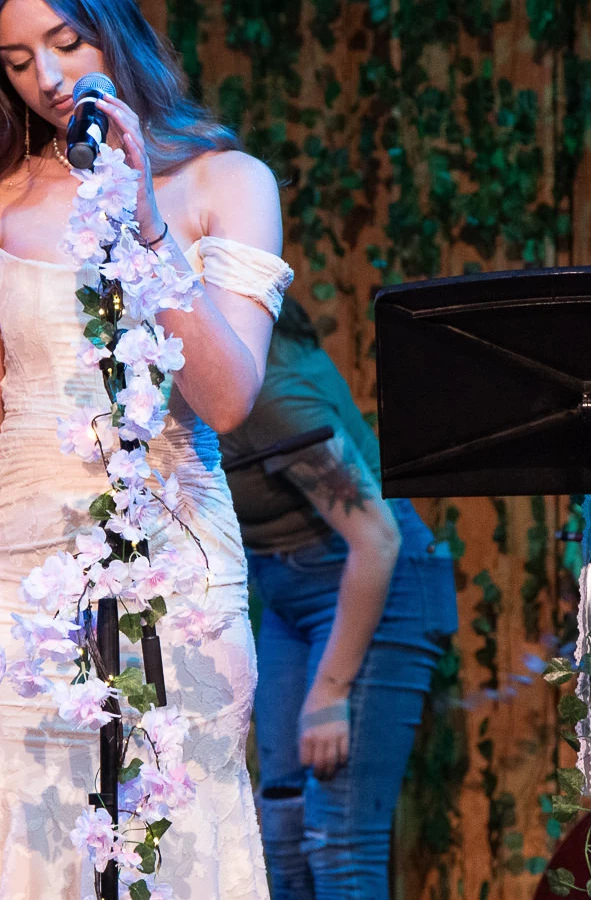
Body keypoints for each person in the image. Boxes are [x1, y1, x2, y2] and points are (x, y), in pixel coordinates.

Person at [0, 0, 291, 895]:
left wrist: (143, 212)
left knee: (183, 825)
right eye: (20, 59)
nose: (49, 77)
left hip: (177, 579)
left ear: (119, 35)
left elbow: (226, 398)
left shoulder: (230, 183)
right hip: (7, 587)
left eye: (68, 44)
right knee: (15, 841)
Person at [222, 302, 458, 898]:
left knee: (339, 839)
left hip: (373, 581)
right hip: (287, 596)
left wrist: (330, 690)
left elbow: (376, 538)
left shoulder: (266, 390)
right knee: (281, 827)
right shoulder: (209, 381)